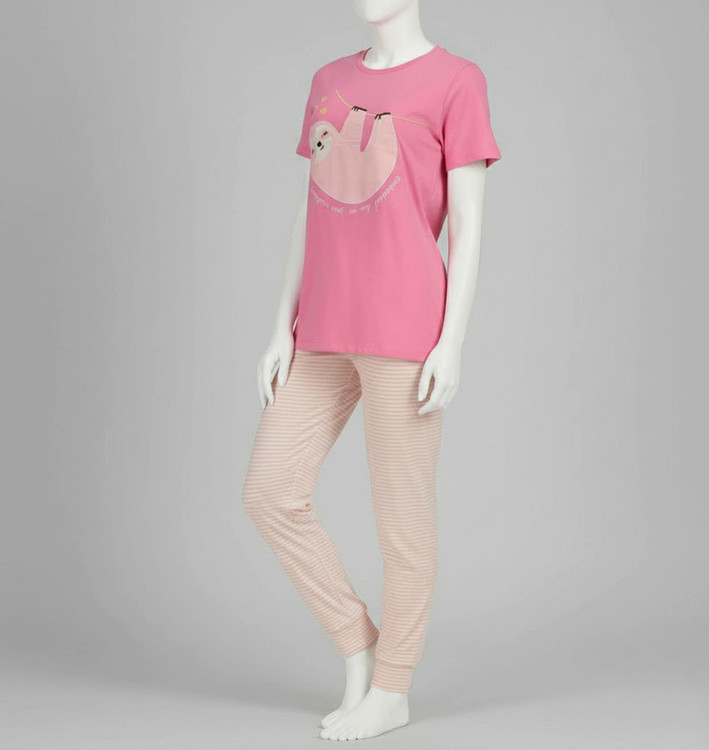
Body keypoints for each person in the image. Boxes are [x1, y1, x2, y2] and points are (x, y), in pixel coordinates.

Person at [242, 2, 502, 740]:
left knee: (402, 525)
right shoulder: (328, 80)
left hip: (405, 329)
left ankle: (393, 690)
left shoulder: (456, 81)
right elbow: (311, 207)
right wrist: (280, 324)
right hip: (323, 326)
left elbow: (469, 224)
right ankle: (359, 646)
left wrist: (452, 341)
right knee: (270, 492)